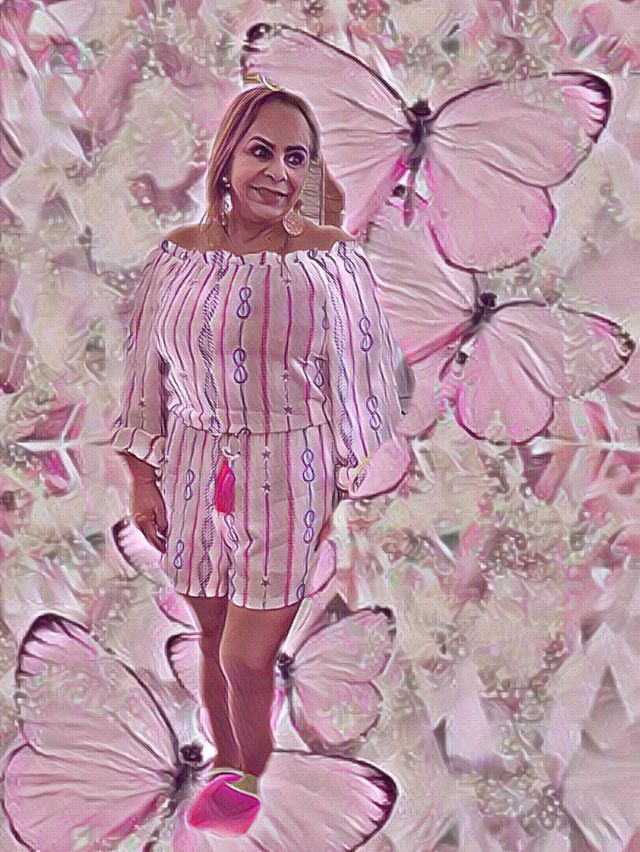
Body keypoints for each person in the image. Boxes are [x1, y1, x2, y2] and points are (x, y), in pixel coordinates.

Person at [110, 81, 411, 836]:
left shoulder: (329, 262)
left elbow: (362, 378)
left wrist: (340, 481)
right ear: (228, 158)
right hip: (191, 465)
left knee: (248, 658)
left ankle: (248, 768)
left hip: (288, 466)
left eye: (296, 158)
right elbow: (146, 370)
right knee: (211, 640)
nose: (278, 172)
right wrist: (143, 479)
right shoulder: (177, 257)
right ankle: (227, 764)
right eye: (262, 152)